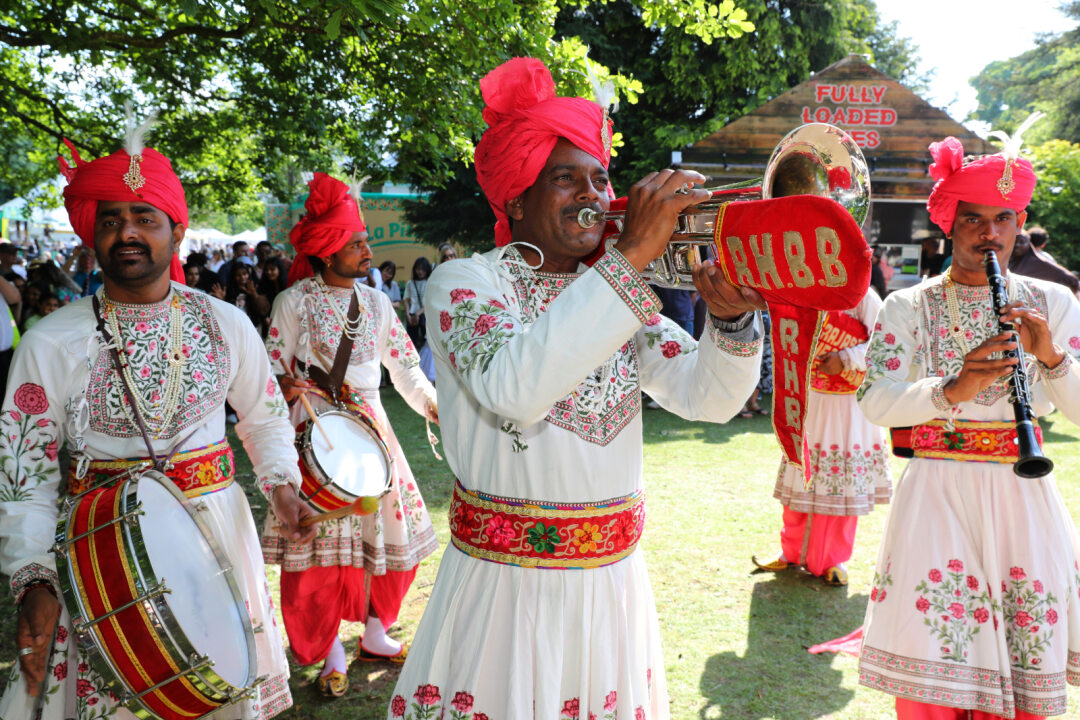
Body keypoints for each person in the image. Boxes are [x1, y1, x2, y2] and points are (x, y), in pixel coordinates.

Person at [388, 57, 764, 719]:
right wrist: (629, 262)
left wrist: (730, 318)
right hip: (504, 592)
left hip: (613, 589)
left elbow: (709, 397)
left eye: (599, 177)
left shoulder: (620, 294)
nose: (591, 194)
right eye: (565, 178)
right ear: (516, 198)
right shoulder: (467, 282)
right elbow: (514, 385)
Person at [0, 134, 315, 719]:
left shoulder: (227, 324)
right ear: (92, 234)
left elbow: (265, 417)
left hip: (217, 535)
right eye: (112, 219)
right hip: (99, 551)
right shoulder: (49, 342)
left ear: (177, 231)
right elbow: (25, 476)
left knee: (220, 695)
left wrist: (283, 485)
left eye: (145, 217)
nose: (127, 233)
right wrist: (34, 579)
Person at [857, 130, 1080, 718]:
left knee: (1024, 654)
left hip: (1023, 494)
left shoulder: (1054, 302)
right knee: (937, 662)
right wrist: (951, 390)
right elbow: (876, 402)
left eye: (1002, 219)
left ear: (1019, 221)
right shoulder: (908, 305)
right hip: (936, 494)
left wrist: (1052, 357)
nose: (990, 233)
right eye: (974, 219)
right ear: (949, 224)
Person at [263, 173, 437, 697]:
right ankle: (329, 648)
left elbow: (404, 368)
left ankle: (378, 633)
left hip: (373, 431)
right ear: (326, 251)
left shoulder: (378, 303)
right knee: (319, 547)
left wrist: (431, 406)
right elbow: (268, 369)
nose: (367, 250)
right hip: (316, 430)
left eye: (364, 241)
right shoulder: (293, 302)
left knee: (388, 536)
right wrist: (285, 386)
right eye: (355, 242)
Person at [753, 287, 890, 585]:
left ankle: (833, 561)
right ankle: (790, 553)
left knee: (839, 485)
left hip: (848, 406)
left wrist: (846, 358)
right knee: (800, 477)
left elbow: (888, 343)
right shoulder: (806, 290)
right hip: (810, 399)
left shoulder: (863, 295)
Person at [1009, 229, 1080, 297]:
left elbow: (1068, 278)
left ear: (1029, 244)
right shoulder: (1004, 261)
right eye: (1014, 241)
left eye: (1022, 242)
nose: (1017, 245)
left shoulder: (1041, 264)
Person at [403, 256, 435, 382]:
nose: (419, 272)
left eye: (422, 269)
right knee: (412, 343)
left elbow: (429, 301)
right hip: (412, 314)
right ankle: (413, 371)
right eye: (417, 269)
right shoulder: (410, 283)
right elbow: (406, 300)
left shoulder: (429, 282)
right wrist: (408, 314)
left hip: (424, 315)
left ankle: (425, 369)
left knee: (425, 342)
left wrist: (418, 313)